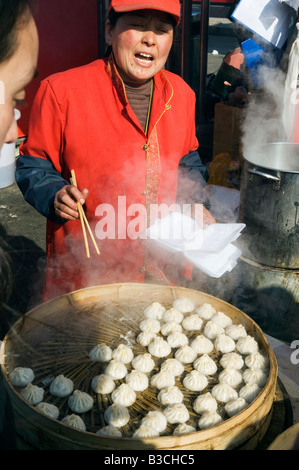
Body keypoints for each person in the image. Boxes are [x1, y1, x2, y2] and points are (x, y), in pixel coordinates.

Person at [16, 0, 214, 303]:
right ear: (110, 32)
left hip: (164, 268)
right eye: (137, 26)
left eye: (161, 30)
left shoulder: (182, 95)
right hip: (89, 272)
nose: (150, 39)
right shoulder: (61, 92)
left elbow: (188, 161)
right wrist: (53, 192)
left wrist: (197, 200)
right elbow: (33, 164)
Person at [0, 0, 39, 450]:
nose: (14, 132)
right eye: (15, 97)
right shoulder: (71, 90)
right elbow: (36, 162)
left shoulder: (180, 94)